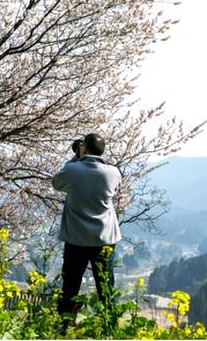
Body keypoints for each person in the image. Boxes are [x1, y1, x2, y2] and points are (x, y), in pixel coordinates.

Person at [52, 133, 122, 333]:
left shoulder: (73, 169)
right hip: (105, 238)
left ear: (85, 148)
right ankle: (111, 330)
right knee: (106, 288)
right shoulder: (114, 172)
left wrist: (75, 157)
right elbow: (114, 186)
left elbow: (56, 183)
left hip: (76, 239)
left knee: (70, 287)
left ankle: (62, 328)